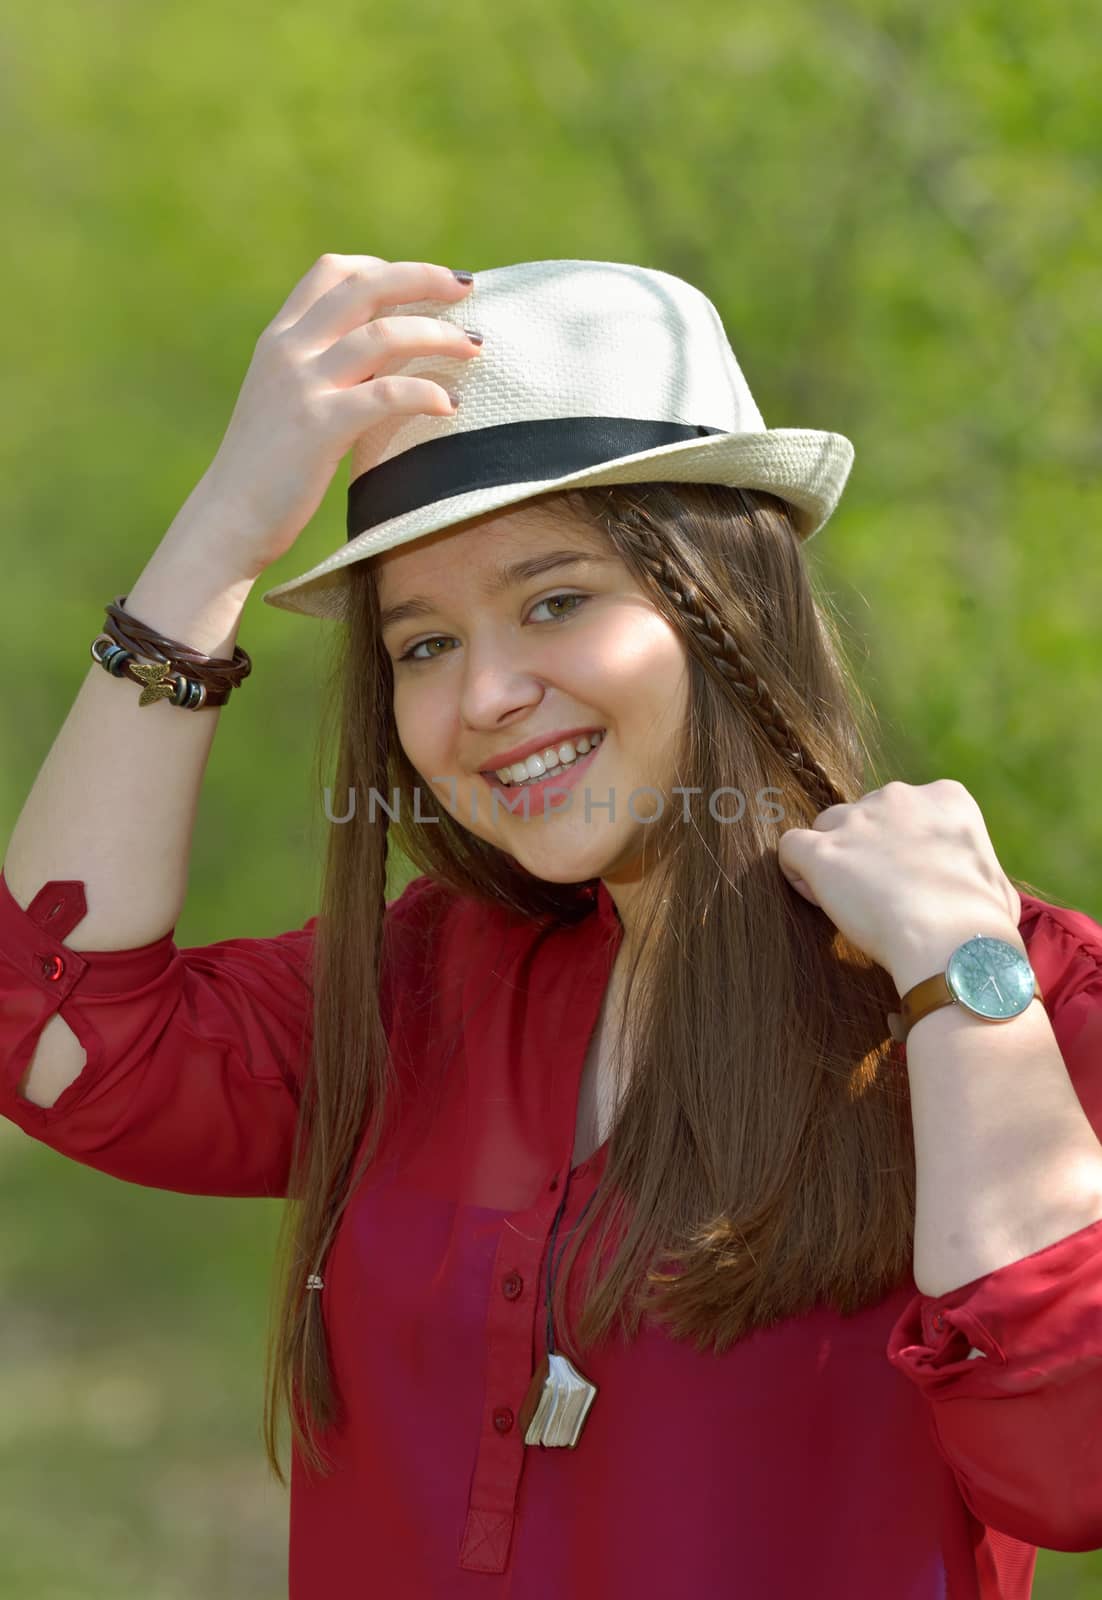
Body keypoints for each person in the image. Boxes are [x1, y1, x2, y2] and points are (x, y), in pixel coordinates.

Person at [2, 255, 1101, 1599]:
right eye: (422, 645)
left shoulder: (1028, 1001)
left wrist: (957, 984)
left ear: (725, 596)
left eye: (555, 601)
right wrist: (221, 535)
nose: (485, 697)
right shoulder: (415, 982)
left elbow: (1069, 1465)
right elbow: (56, 1034)